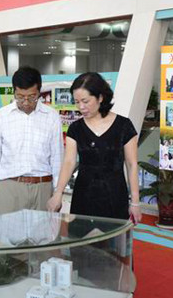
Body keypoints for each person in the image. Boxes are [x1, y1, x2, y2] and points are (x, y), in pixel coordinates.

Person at [47, 72, 141, 224]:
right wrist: (58, 193)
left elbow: (132, 164)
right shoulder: (75, 128)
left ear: (100, 98)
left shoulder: (124, 126)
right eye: (77, 102)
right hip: (83, 197)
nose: (81, 107)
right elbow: (69, 162)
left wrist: (135, 202)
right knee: (80, 237)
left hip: (115, 197)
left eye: (85, 101)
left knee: (114, 238)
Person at [0, 66, 63, 214]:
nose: (26, 102)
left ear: (39, 92)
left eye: (32, 97)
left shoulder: (52, 117)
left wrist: (57, 192)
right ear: (14, 91)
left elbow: (57, 158)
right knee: (6, 229)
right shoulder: (1, 116)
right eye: (20, 97)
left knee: (43, 229)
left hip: (43, 187)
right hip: (10, 187)